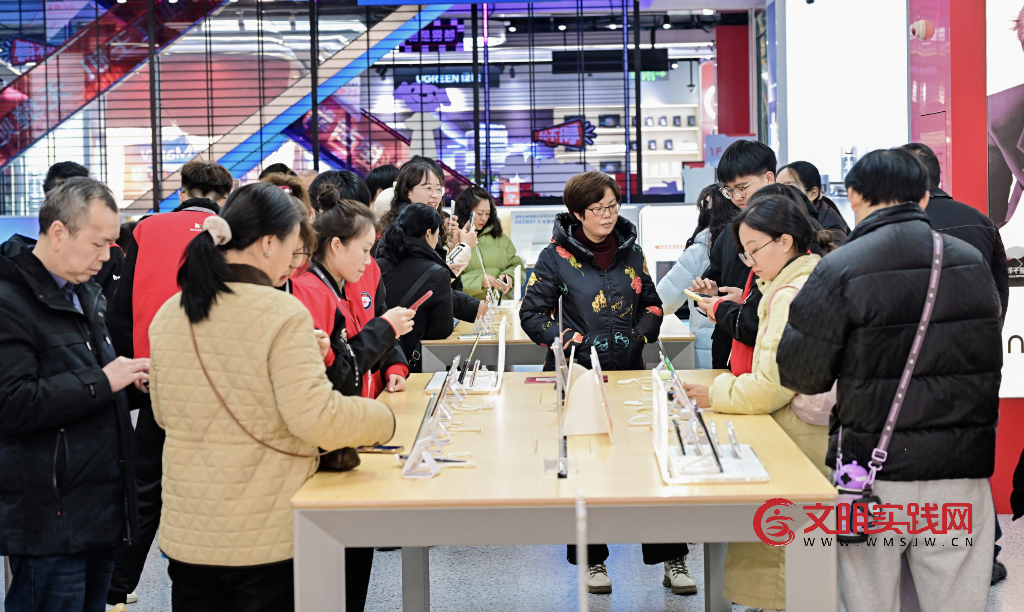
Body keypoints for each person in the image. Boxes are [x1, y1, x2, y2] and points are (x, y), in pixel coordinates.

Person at [148, 182, 396, 611]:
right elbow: (317, 418)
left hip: (190, 535)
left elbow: (166, 414)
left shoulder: (172, 312)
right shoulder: (282, 313)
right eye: (293, 247)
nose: (296, 260)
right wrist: (383, 419)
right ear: (267, 244)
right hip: (263, 536)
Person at [776, 149, 1002, 612]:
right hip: (961, 469)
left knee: (867, 599)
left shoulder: (839, 266)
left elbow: (801, 374)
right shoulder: (969, 261)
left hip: (868, 469)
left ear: (854, 195)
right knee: (956, 600)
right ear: (922, 196)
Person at [519, 171, 692, 596]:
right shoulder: (555, 256)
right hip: (579, 377)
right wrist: (569, 340)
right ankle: (592, 561)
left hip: (631, 372)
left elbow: (652, 302)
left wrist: (641, 334)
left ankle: (673, 557)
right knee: (587, 466)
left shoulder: (632, 252)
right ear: (578, 213)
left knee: (652, 462)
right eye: (597, 209)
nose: (607, 215)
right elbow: (532, 314)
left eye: (612, 206)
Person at [0, 178, 150, 612]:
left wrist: (131, 384)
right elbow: (13, 403)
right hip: (50, 518)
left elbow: (82, 385)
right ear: (60, 233)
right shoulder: (11, 301)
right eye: (99, 244)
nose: (107, 257)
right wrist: (105, 381)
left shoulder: (84, 293)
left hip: (97, 509)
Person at [681, 194, 834, 611]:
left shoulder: (788, 293)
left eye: (754, 251)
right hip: (811, 431)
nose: (751, 263)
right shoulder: (805, 277)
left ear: (785, 241)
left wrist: (713, 394)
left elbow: (772, 385)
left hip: (801, 438)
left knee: (781, 558)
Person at [104, 159, 232, 608]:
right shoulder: (232, 231)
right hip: (219, 381)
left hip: (157, 372)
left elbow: (121, 306)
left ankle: (117, 588)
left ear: (182, 192)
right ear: (225, 198)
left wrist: (136, 365)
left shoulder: (145, 229)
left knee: (144, 486)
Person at [296, 185, 413, 396]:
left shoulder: (343, 280)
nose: (369, 261)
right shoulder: (310, 292)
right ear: (337, 245)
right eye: (365, 250)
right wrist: (386, 329)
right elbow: (339, 371)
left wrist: (394, 364)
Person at [691, 139, 777, 369]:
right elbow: (715, 280)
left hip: (766, 355)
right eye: (729, 191)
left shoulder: (789, 232)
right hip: (726, 346)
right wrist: (708, 294)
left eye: (742, 187)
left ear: (769, 179)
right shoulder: (729, 234)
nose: (737, 196)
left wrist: (747, 300)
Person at [900, 143, 1009, 323]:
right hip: (974, 343)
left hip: (914, 346)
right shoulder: (983, 223)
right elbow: (1000, 291)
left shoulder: (890, 228)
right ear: (937, 176)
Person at [379, 160, 484, 324]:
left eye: (438, 189)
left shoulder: (419, 222)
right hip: (409, 325)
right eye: (428, 188)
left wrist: (452, 246)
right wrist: (463, 247)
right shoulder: (406, 227)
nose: (435, 195)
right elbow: (426, 281)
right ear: (407, 191)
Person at [656, 184, 736, 368]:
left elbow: (663, 301)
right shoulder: (748, 246)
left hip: (710, 347)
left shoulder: (699, 252)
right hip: (744, 343)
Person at [376, 203, 457, 373]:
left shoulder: (377, 264)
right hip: (412, 363)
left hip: (376, 358)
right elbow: (441, 330)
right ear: (429, 233)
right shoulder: (438, 273)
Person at [453, 186, 524, 300]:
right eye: (480, 213)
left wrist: (509, 277)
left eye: (487, 213)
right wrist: (478, 281)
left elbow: (517, 265)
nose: (484, 218)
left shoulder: (500, 237)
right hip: (468, 310)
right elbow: (447, 280)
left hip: (502, 307)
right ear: (466, 212)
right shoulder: (454, 239)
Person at [777, 160, 850, 243]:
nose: (780, 194)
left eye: (789, 188)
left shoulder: (833, 233)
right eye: (777, 187)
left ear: (813, 193)